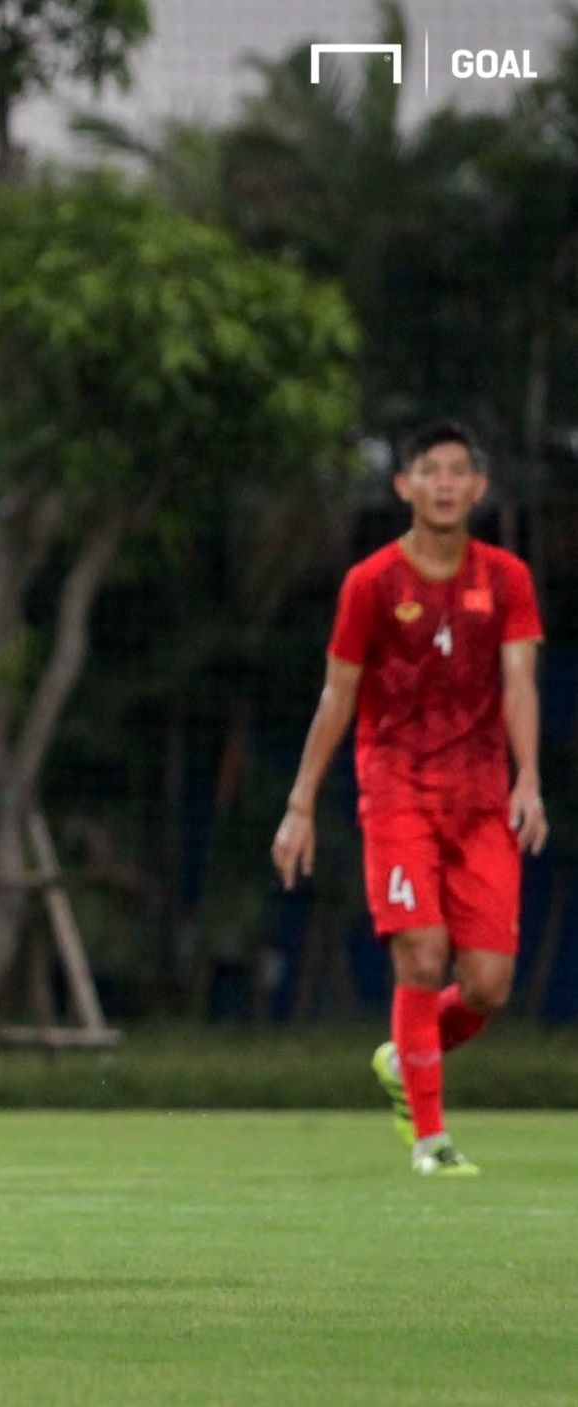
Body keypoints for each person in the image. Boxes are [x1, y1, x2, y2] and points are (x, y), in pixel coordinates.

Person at [272, 419, 546, 1177]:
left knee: (487, 984)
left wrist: (528, 778)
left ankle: (403, 1055)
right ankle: (430, 1138)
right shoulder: (370, 583)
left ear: (478, 487)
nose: (446, 483)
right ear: (404, 486)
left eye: (459, 470)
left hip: (482, 797)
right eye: (430, 470)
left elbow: (520, 682)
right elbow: (336, 695)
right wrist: (300, 803)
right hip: (396, 794)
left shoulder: (506, 578)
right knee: (421, 952)